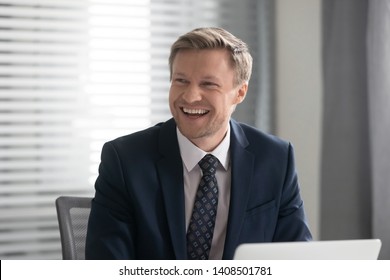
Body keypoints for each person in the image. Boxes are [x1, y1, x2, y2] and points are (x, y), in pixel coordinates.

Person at [85, 27, 312, 260]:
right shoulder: (125, 160)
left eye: (208, 84)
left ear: (239, 93)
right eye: (181, 80)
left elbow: (296, 259)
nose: (190, 96)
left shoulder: (275, 159)